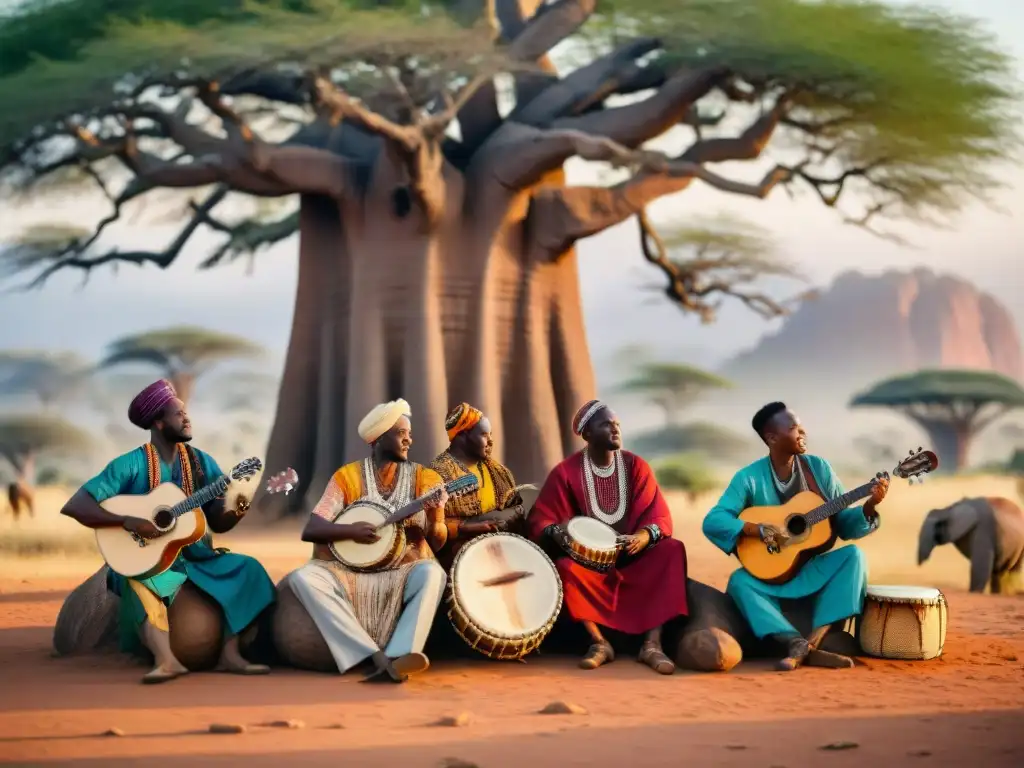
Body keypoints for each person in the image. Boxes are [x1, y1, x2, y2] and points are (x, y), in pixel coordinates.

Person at [59, 379, 275, 684]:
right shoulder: (130, 464)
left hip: (199, 558)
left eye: (186, 413)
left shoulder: (201, 463)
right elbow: (76, 504)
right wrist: (126, 522)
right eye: (179, 414)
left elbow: (218, 521)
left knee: (249, 569)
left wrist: (238, 506)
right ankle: (167, 660)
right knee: (140, 583)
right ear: (159, 422)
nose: (187, 419)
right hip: (147, 561)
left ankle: (230, 654)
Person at [703, 401, 889, 671]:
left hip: (811, 568)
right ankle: (793, 642)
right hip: (770, 574)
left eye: (802, 428)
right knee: (739, 582)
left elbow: (845, 524)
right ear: (772, 437)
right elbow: (714, 520)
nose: (803, 433)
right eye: (794, 428)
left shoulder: (819, 469)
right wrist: (757, 529)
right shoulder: (748, 478)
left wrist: (870, 507)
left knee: (853, 557)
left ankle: (813, 642)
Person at [285, 399, 450, 683]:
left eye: (409, 432)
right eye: (401, 433)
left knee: (433, 573)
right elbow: (312, 529)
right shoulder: (347, 477)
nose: (409, 439)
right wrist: (351, 532)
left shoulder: (426, 478)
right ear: (378, 438)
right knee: (304, 578)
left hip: (402, 571)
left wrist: (436, 515)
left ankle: (402, 656)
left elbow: (437, 543)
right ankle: (372, 656)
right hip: (349, 572)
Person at [526, 399, 689, 674]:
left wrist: (645, 536)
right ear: (587, 434)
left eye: (617, 425)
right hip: (591, 567)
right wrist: (559, 532)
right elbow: (541, 518)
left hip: (635, 558)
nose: (615, 430)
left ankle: (652, 645)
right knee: (565, 568)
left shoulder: (636, 466)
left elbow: (659, 515)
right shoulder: (566, 472)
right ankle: (599, 643)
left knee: (672, 550)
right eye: (606, 425)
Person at [430, 403, 527, 571]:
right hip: (459, 561)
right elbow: (428, 525)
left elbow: (516, 507)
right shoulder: (435, 473)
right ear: (462, 436)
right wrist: (466, 527)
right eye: (484, 434)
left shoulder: (500, 472)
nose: (490, 440)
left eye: (490, 434)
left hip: (503, 551)